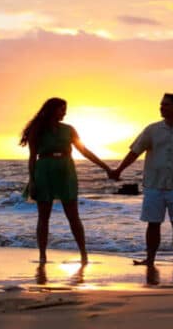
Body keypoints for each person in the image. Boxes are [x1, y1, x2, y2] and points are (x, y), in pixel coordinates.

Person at [21, 97, 114, 264]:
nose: (64, 112)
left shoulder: (69, 129)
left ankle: (84, 254)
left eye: (65, 109)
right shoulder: (37, 129)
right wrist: (32, 180)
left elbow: (84, 151)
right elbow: (32, 157)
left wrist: (106, 167)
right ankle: (42, 255)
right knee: (44, 216)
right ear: (52, 110)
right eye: (61, 109)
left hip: (66, 170)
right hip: (44, 170)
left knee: (73, 215)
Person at [112, 93, 173, 266]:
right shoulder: (152, 130)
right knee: (153, 224)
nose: (161, 108)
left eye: (166, 105)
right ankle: (150, 259)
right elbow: (135, 152)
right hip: (154, 184)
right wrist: (119, 169)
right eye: (161, 104)